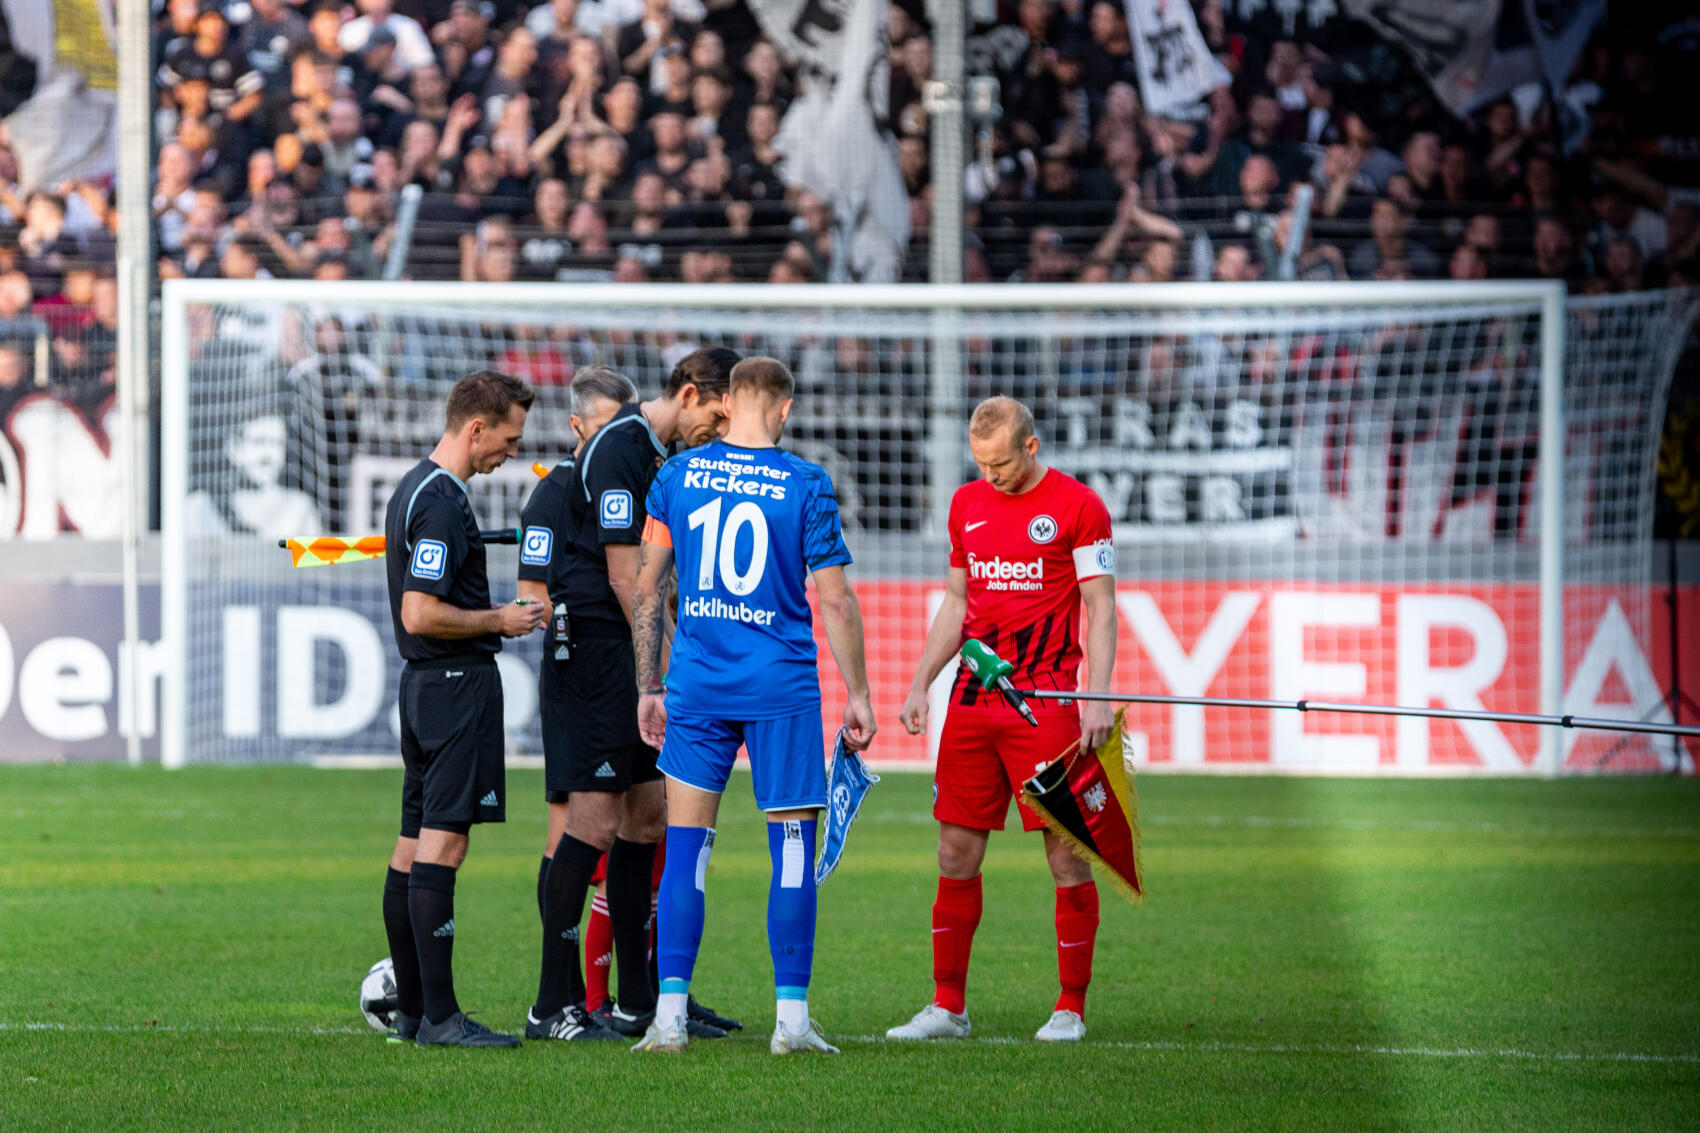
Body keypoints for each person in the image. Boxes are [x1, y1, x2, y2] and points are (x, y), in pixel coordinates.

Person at [629, 356, 877, 1055]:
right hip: (781, 687)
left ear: (728, 399)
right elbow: (835, 596)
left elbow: (647, 589)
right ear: (784, 409)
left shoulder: (675, 476)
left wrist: (651, 684)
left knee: (686, 851)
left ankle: (668, 1016)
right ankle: (791, 1022)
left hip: (698, 685)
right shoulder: (805, 482)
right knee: (792, 853)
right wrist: (858, 693)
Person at [518, 346, 738, 1043]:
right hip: (597, 653)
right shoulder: (621, 448)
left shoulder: (662, 457)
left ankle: (643, 1001)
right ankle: (553, 1003)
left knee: (647, 817)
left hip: (632, 650)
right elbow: (623, 579)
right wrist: (664, 668)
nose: (723, 429)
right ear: (692, 393)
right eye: (721, 415)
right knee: (593, 824)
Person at [889, 395, 1118, 1043]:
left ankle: (1070, 1006)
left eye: (1001, 464)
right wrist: (920, 681)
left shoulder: (1080, 507)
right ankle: (947, 1006)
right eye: (981, 465)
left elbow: (1101, 609)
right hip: (972, 698)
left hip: (1045, 700)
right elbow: (958, 600)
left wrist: (1094, 692)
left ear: (1032, 445)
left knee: (1066, 853)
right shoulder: (966, 505)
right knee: (954, 850)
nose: (991, 477)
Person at [378, 370, 544, 1048]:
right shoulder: (442, 502)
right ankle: (442, 1017)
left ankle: (415, 1011)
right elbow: (420, 609)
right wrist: (498, 619)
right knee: (444, 844)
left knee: (413, 844)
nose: (510, 450)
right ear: (475, 428)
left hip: (423, 689)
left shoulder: (413, 487)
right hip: (453, 686)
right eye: (508, 439)